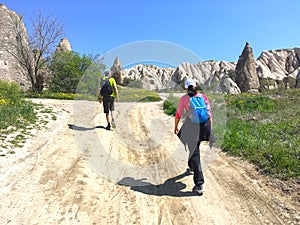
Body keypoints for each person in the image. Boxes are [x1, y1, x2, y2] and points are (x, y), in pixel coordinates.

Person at [174, 78, 212, 194]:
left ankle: (199, 184)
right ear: (195, 86)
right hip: (204, 126)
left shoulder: (185, 98)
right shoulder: (203, 97)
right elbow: (209, 113)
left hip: (192, 127)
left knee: (195, 153)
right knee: (194, 148)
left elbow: (178, 114)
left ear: (186, 88)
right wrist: (210, 128)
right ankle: (191, 167)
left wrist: (175, 126)